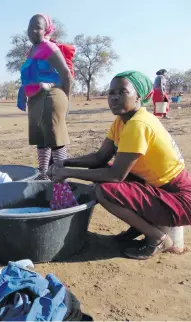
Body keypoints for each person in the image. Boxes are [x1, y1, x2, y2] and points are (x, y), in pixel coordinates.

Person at [47, 70, 191, 260]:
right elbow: (100, 157)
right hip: (160, 187)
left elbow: (116, 175)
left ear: (139, 96)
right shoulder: (122, 120)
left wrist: (66, 172)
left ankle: (158, 238)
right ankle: (139, 227)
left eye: (121, 92)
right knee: (101, 172)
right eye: (111, 93)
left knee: (104, 191)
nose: (113, 98)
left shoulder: (138, 124)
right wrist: (64, 162)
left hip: (179, 198)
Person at [17, 14, 74, 180]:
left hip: (51, 97)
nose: (33, 31)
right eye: (30, 27)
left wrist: (66, 98)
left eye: (38, 27)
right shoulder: (31, 51)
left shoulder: (49, 47)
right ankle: (43, 175)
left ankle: (62, 178)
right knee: (41, 139)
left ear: (46, 29)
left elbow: (66, 74)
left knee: (56, 139)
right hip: (35, 99)